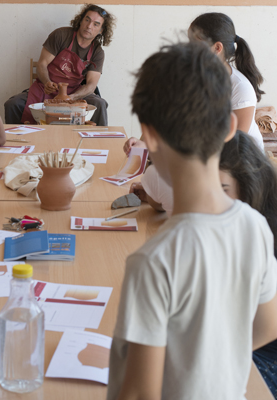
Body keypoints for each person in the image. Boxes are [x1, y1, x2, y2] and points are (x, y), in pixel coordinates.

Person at [107, 42, 277, 400]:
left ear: (149, 135)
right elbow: (266, 325)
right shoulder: (254, 226)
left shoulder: (153, 261)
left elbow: (139, 394)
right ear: (231, 127)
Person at [123, 12, 265, 155]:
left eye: (195, 44)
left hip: (242, 164)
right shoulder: (193, 75)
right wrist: (147, 144)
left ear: (217, 48)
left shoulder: (241, 88)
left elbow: (234, 149)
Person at [219, 130, 277, 398]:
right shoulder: (230, 220)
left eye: (222, 189)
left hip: (264, 357)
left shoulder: (261, 232)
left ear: (249, 183)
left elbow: (264, 328)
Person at [4, 4, 116, 126]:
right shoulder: (61, 35)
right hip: (45, 89)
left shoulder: (97, 52)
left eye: (96, 24)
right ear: (81, 20)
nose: (89, 26)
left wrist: (71, 98)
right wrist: (47, 82)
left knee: (99, 104)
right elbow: (42, 64)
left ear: (101, 30)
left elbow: (91, 85)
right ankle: (17, 141)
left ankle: (99, 142)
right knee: (13, 104)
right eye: (87, 20)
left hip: (74, 93)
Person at [189, 12, 265, 151]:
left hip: (242, 161)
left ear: (217, 48)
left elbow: (234, 146)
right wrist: (144, 143)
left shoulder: (240, 89)